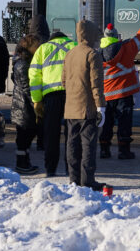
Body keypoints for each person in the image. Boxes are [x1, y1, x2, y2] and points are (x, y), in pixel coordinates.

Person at [99, 6, 140, 160]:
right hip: (124, 93)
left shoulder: (97, 53)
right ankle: (123, 151)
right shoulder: (127, 47)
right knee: (125, 123)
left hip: (106, 95)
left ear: (104, 37)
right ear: (116, 36)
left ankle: (104, 150)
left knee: (106, 123)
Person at [62, 20, 106, 190]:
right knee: (88, 146)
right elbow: (96, 85)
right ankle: (87, 180)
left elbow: (63, 81)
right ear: (91, 34)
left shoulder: (70, 54)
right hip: (87, 109)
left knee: (72, 146)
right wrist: (100, 106)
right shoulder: (92, 54)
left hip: (71, 108)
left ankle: (74, 179)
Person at [29, 29, 77, 176]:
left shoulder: (43, 49)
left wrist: (37, 101)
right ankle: (71, 169)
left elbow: (34, 77)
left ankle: (50, 169)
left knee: (51, 134)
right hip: (72, 94)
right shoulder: (74, 46)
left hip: (51, 96)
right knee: (72, 134)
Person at [11, 35, 42, 174]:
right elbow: (27, 87)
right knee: (24, 136)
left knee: (27, 134)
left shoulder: (23, 62)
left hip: (23, 106)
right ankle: (22, 164)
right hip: (23, 107)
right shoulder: (22, 64)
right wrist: (36, 102)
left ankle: (25, 162)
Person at [28, 14, 50, 151]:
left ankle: (26, 143)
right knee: (43, 116)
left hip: (30, 84)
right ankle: (42, 142)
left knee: (30, 115)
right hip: (46, 85)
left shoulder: (26, 41)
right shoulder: (47, 43)